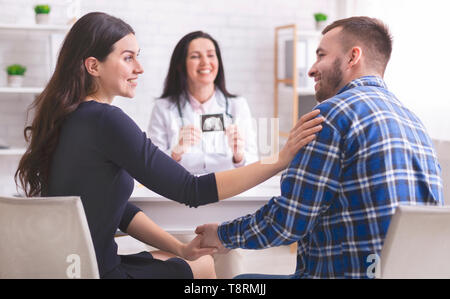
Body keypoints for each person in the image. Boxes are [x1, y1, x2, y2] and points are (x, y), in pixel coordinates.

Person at [14, 12, 324, 279]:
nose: (139, 68)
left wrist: (177, 247)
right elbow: (192, 190)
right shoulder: (107, 121)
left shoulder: (67, 118)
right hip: (100, 272)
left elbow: (118, 210)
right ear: (93, 66)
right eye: (127, 58)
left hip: (72, 268)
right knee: (204, 266)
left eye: (138, 56)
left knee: (188, 257)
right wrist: (280, 159)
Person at [195, 16, 444, 279]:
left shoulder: (330, 115)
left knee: (242, 282)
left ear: (352, 57)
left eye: (321, 55)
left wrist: (222, 235)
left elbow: (288, 222)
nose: (311, 69)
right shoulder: (415, 122)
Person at [148, 31, 258, 174]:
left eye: (211, 55)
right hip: (180, 192)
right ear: (181, 65)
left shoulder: (237, 105)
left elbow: (254, 164)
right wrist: (176, 152)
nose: (205, 62)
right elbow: (151, 167)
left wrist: (239, 156)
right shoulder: (163, 108)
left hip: (228, 192)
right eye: (195, 56)